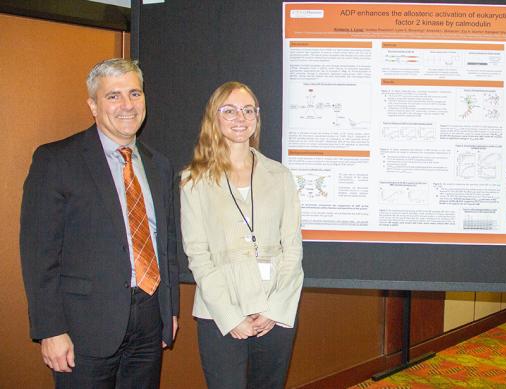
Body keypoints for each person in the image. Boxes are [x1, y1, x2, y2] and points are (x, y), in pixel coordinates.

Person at [19, 58, 179, 388]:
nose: (127, 105)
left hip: (149, 322)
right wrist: (50, 329)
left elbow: (167, 244)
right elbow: (39, 255)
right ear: (93, 105)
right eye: (113, 96)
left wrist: (169, 309)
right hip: (84, 330)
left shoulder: (159, 165)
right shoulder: (57, 160)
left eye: (135, 93)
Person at [180, 81, 304, 389]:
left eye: (249, 110)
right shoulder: (194, 180)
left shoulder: (280, 176)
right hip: (221, 313)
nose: (241, 117)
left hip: (275, 310)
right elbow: (198, 256)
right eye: (230, 110)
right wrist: (230, 315)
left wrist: (275, 310)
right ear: (214, 117)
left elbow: (292, 248)